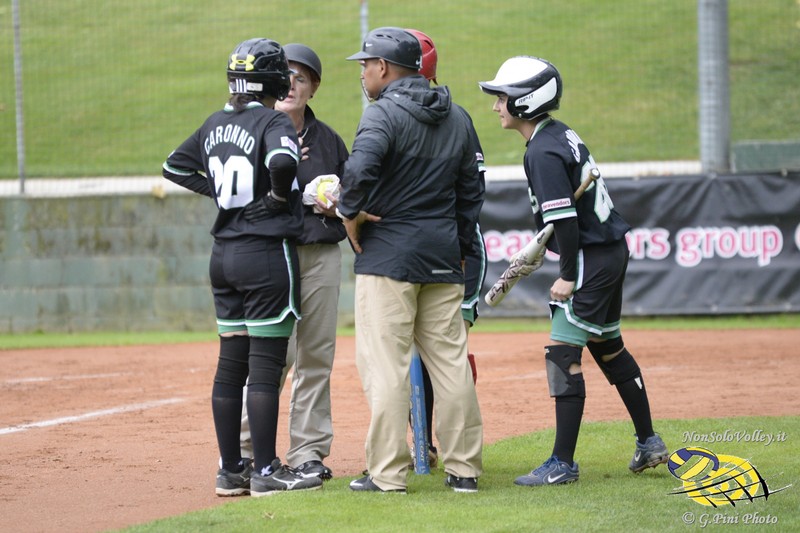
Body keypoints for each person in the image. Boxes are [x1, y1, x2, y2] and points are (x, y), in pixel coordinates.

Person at [478, 56, 669, 486]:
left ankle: (561, 463)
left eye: (502, 98)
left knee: (562, 354)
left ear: (526, 101)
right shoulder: (557, 135)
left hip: (589, 257)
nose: (496, 106)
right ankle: (648, 442)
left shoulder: (542, 151)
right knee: (608, 347)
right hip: (608, 251)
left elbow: (564, 218)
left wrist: (566, 274)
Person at [162, 37, 322, 496]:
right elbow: (283, 161)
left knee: (230, 365)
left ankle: (231, 469)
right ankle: (267, 470)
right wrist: (274, 197)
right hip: (264, 254)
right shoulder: (272, 120)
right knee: (266, 366)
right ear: (272, 80)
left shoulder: (214, 122)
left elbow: (174, 168)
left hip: (223, 255)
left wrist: (221, 195)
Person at [339, 27, 485, 494]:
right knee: (451, 365)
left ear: (384, 67)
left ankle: (387, 474)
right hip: (442, 256)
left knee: (386, 367)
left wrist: (348, 213)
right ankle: (464, 471)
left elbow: (358, 172)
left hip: (388, 258)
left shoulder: (381, 113)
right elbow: (472, 192)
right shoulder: (458, 116)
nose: (363, 72)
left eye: (366, 64)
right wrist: (457, 243)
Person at [239, 43, 349, 481]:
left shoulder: (329, 141)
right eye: (284, 76)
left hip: (319, 254)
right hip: (271, 256)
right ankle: (248, 449)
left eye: (300, 78)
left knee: (316, 356)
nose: (291, 85)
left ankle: (308, 451)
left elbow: (352, 197)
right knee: (271, 357)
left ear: (313, 88)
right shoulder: (251, 132)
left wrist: (336, 204)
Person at [404, 28, 486, 470]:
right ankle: (428, 447)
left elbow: (472, 190)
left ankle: (451, 447)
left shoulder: (455, 119)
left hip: (456, 252)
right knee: (412, 356)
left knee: (447, 356)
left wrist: (459, 248)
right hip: (435, 250)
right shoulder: (398, 116)